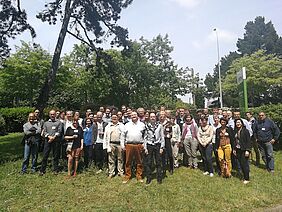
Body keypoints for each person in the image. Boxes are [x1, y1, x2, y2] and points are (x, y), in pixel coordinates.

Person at [121, 111, 145, 183]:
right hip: (129, 145)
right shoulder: (127, 125)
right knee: (128, 161)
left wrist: (144, 144)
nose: (133, 116)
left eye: (135, 115)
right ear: (130, 116)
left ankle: (139, 175)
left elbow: (145, 136)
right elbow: (122, 135)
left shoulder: (142, 125)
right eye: (132, 115)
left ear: (137, 116)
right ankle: (127, 176)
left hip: (139, 145)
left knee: (139, 161)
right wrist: (122, 145)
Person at [39, 110, 62, 176]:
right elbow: (44, 132)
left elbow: (59, 131)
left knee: (55, 156)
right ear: (49, 115)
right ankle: (42, 170)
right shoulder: (46, 123)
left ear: (55, 115)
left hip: (56, 141)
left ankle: (55, 170)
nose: (52, 115)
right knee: (45, 156)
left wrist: (53, 137)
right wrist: (49, 137)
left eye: (53, 114)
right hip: (47, 141)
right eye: (51, 114)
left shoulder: (59, 122)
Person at [144, 112, 165, 184]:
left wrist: (162, 147)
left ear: (156, 118)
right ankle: (149, 178)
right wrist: (145, 148)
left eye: (154, 117)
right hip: (149, 145)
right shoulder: (146, 126)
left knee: (158, 162)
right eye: (151, 117)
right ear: (149, 118)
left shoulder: (160, 125)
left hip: (157, 145)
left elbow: (162, 137)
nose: (152, 118)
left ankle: (159, 177)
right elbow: (145, 138)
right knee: (148, 162)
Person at [103, 114, 125, 178]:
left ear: (118, 118)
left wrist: (123, 145)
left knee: (120, 159)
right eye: (113, 117)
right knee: (111, 159)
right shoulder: (108, 126)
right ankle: (111, 173)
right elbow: (105, 137)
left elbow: (124, 135)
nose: (114, 118)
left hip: (119, 144)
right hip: (111, 144)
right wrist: (106, 146)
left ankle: (120, 172)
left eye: (115, 117)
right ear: (111, 118)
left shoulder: (121, 125)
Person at [233, 119, 251, 184]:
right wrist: (234, 149)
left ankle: (247, 178)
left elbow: (249, 141)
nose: (238, 124)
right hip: (238, 150)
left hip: (244, 150)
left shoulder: (245, 131)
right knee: (241, 164)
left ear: (242, 123)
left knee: (244, 164)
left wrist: (248, 150)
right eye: (236, 122)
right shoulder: (235, 131)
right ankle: (245, 176)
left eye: (239, 122)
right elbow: (234, 141)